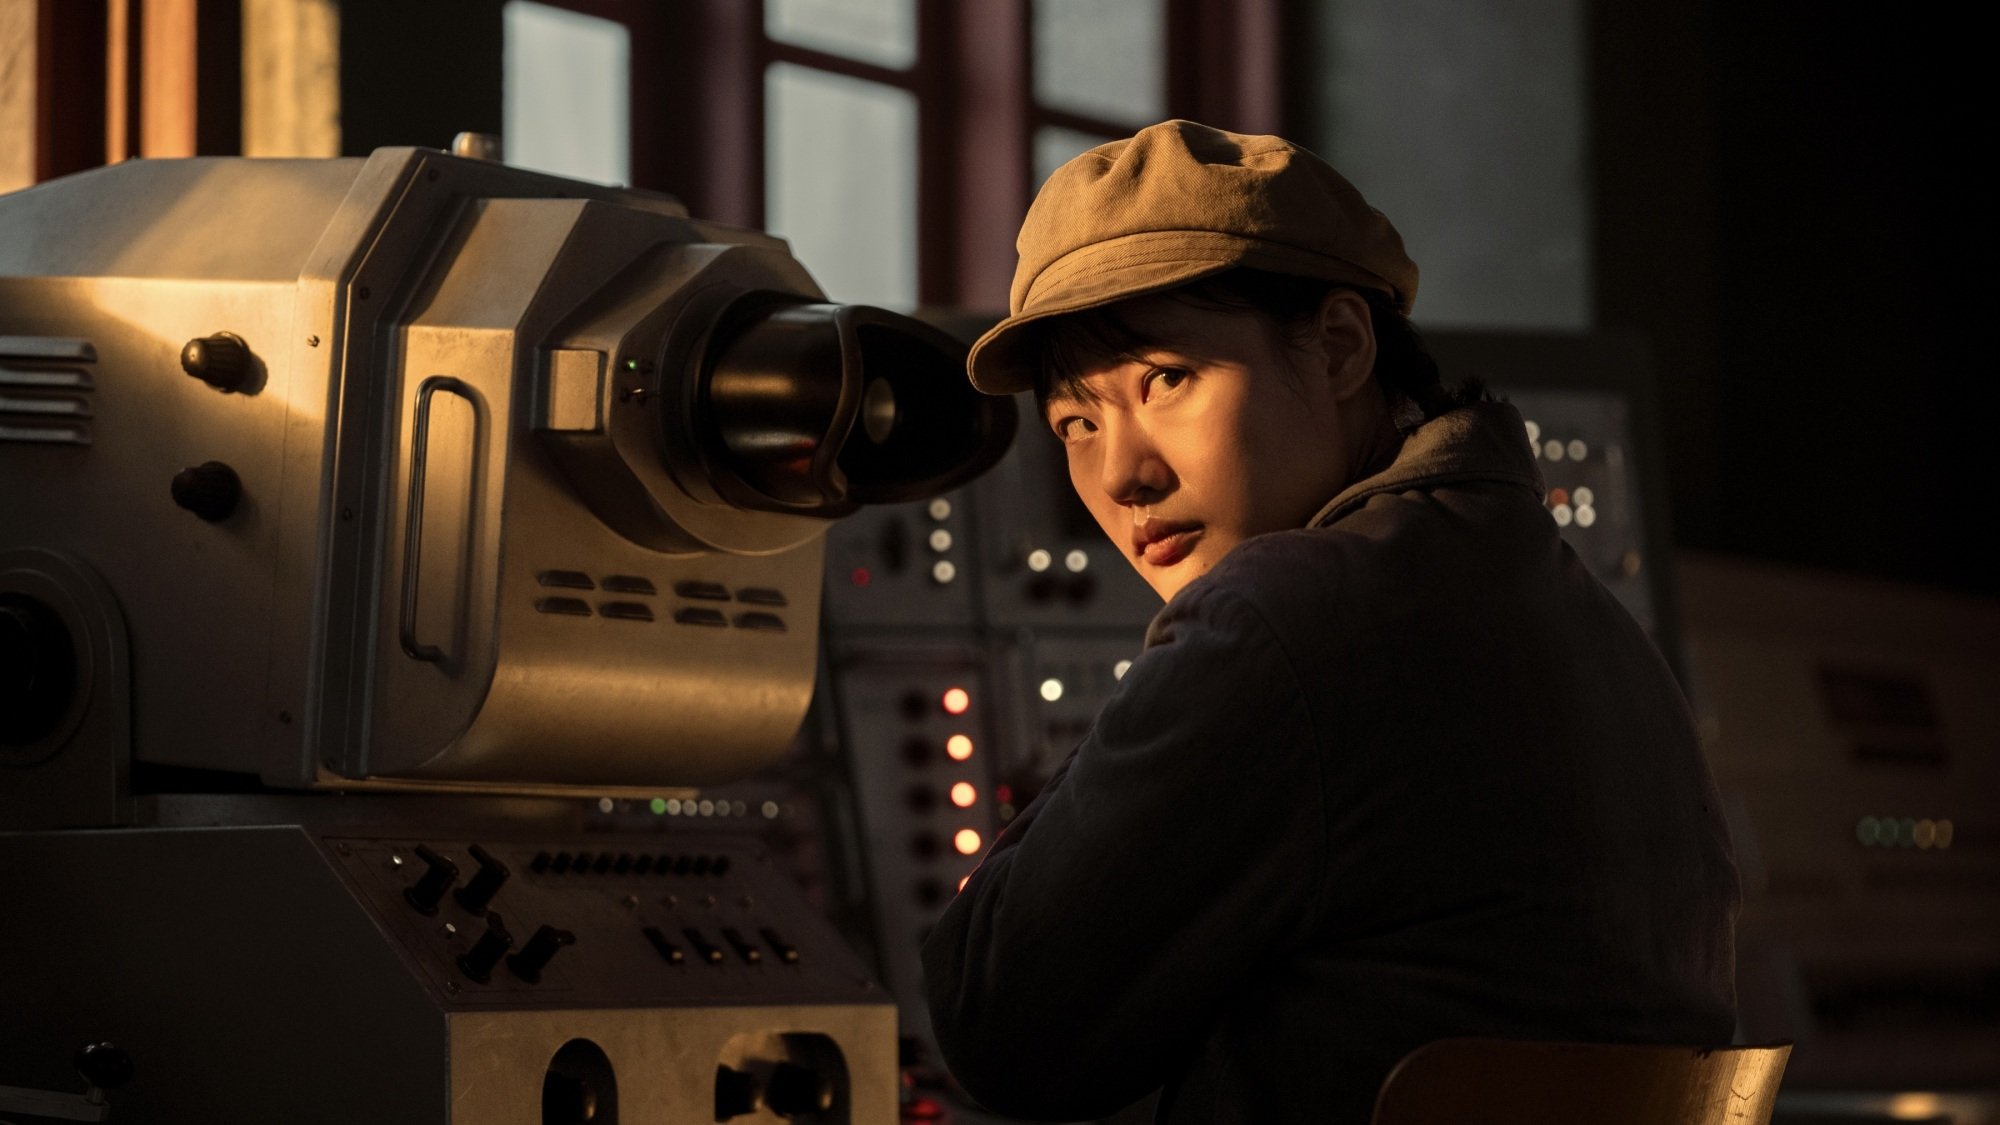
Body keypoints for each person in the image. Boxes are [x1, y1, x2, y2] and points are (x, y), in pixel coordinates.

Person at [920, 120, 1740, 1123]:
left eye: (1166, 380)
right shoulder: (1587, 621)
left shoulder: (1281, 620)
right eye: (1075, 423)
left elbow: (997, 1026)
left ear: (1340, 346)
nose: (1123, 475)